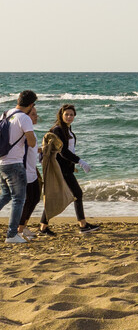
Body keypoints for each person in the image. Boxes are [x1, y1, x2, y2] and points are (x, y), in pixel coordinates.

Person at [39, 104, 100, 235]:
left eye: (71, 114)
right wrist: (80, 161)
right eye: (66, 114)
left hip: (67, 168)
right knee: (76, 193)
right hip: (60, 168)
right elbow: (63, 152)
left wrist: (76, 162)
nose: (69, 117)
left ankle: (43, 228)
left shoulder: (67, 129)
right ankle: (82, 225)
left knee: (70, 195)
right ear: (61, 115)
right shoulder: (58, 130)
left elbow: (68, 150)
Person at [0, 90, 38, 244]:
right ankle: (11, 235)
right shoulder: (24, 118)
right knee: (19, 199)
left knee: (6, 195)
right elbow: (32, 142)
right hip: (15, 163)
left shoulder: (5, 113)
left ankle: (12, 233)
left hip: (2, 162)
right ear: (31, 105)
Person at [17, 105, 42, 240]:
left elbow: (32, 149)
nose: (36, 116)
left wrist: (41, 149)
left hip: (32, 169)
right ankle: (20, 229)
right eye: (33, 114)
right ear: (26, 116)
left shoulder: (31, 131)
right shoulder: (26, 132)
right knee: (29, 199)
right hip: (25, 171)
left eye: (36, 114)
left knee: (34, 198)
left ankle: (23, 226)